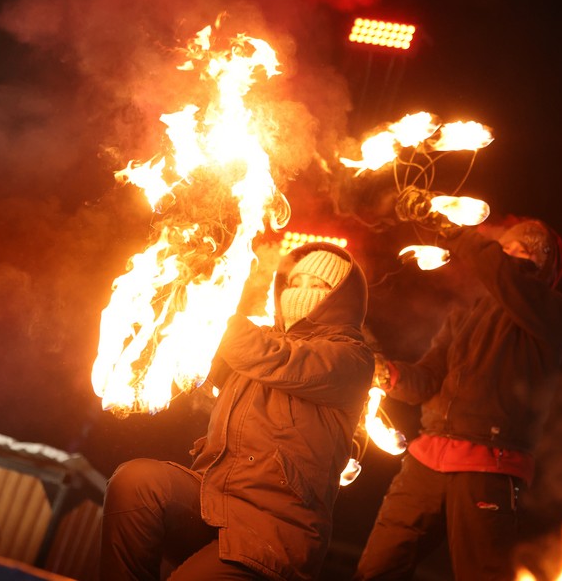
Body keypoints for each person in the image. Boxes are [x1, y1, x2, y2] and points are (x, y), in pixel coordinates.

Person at [101, 242, 375, 580]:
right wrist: (179, 297)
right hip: (212, 502)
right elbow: (206, 359)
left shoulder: (351, 358)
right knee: (136, 482)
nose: (301, 291)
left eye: (318, 285)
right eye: (295, 282)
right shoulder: (262, 339)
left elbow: (271, 357)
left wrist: (213, 307)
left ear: (342, 300)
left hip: (271, 531)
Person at [355, 216, 562, 581]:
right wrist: (387, 374)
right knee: (375, 571)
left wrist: (453, 231)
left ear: (546, 263)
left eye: (530, 246)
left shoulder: (552, 311)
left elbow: (503, 274)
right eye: (511, 242)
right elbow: (427, 379)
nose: (516, 246)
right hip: (427, 461)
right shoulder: (466, 312)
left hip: (489, 466)